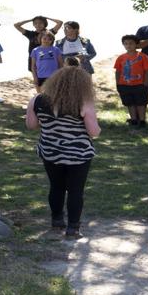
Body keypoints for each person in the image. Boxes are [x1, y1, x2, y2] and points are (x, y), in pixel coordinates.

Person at [25, 66, 100, 240]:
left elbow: (31, 125)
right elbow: (94, 132)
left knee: (56, 186)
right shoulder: (83, 102)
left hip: (50, 151)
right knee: (75, 190)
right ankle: (73, 228)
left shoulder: (37, 100)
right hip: (78, 154)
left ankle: (57, 220)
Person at [113, 34, 148, 126]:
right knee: (130, 103)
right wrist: (118, 83)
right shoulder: (121, 58)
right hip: (124, 85)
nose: (128, 45)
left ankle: (142, 120)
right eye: (126, 43)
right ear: (123, 45)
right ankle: (134, 120)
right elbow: (118, 71)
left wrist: (145, 83)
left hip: (139, 84)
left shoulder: (143, 56)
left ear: (136, 44)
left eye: (131, 43)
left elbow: (147, 71)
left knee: (141, 103)